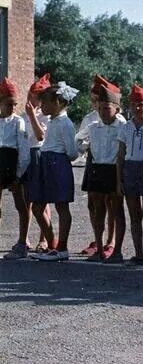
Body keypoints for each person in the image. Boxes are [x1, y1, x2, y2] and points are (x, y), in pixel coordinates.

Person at [76, 74, 125, 259]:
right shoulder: (93, 124)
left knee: (116, 208)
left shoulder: (123, 126)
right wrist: (83, 147)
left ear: (116, 108)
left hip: (114, 169)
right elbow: (79, 138)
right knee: (96, 207)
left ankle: (114, 246)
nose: (102, 111)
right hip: (97, 168)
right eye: (99, 106)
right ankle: (99, 246)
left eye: (106, 107)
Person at [32, 82, 80, 262]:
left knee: (61, 206)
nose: (42, 106)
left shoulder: (65, 123)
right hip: (46, 163)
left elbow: (72, 153)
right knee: (37, 207)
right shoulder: (53, 121)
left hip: (58, 165)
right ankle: (53, 243)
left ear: (57, 103)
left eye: (44, 103)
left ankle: (62, 248)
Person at [116, 83, 143, 265]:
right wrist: (119, 180)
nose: (137, 108)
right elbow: (120, 155)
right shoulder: (125, 127)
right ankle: (138, 253)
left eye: (141, 104)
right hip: (130, 170)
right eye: (133, 104)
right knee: (134, 215)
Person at [19, 74, 56, 255]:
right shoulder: (22, 115)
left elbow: (41, 135)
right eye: (30, 94)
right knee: (27, 201)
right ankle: (24, 237)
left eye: (35, 96)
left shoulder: (45, 116)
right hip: (26, 157)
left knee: (42, 201)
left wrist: (32, 115)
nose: (31, 99)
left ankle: (44, 239)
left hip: (40, 156)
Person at [0, 78, 31, 260]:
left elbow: (24, 151)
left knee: (21, 205)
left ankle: (22, 243)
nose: (12, 108)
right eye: (8, 104)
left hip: (13, 166)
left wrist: (18, 174)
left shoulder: (18, 122)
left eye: (14, 104)